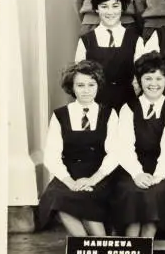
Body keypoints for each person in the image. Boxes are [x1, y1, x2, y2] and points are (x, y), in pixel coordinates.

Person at [38, 60, 118, 236]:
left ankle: (101, 247)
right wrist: (70, 182)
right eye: (80, 85)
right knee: (58, 199)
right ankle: (85, 248)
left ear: (98, 86)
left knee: (88, 199)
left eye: (91, 84)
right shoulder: (60, 115)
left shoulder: (109, 114)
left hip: (99, 174)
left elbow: (114, 153)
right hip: (69, 173)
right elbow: (51, 155)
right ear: (71, 87)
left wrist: (92, 180)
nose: (86, 90)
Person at [111, 52, 165, 239]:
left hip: (164, 168)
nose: (154, 83)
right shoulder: (128, 108)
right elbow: (124, 146)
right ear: (139, 81)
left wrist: (158, 175)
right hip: (133, 167)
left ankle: (145, 246)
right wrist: (136, 173)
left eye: (159, 78)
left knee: (155, 192)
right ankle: (132, 248)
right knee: (133, 191)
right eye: (148, 78)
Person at [74, 0, 144, 111]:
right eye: (104, 6)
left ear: (122, 7)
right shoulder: (86, 41)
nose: (110, 12)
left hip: (127, 105)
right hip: (95, 105)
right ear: (96, 9)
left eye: (115, 6)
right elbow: (80, 77)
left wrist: (130, 96)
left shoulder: (135, 40)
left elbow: (140, 77)